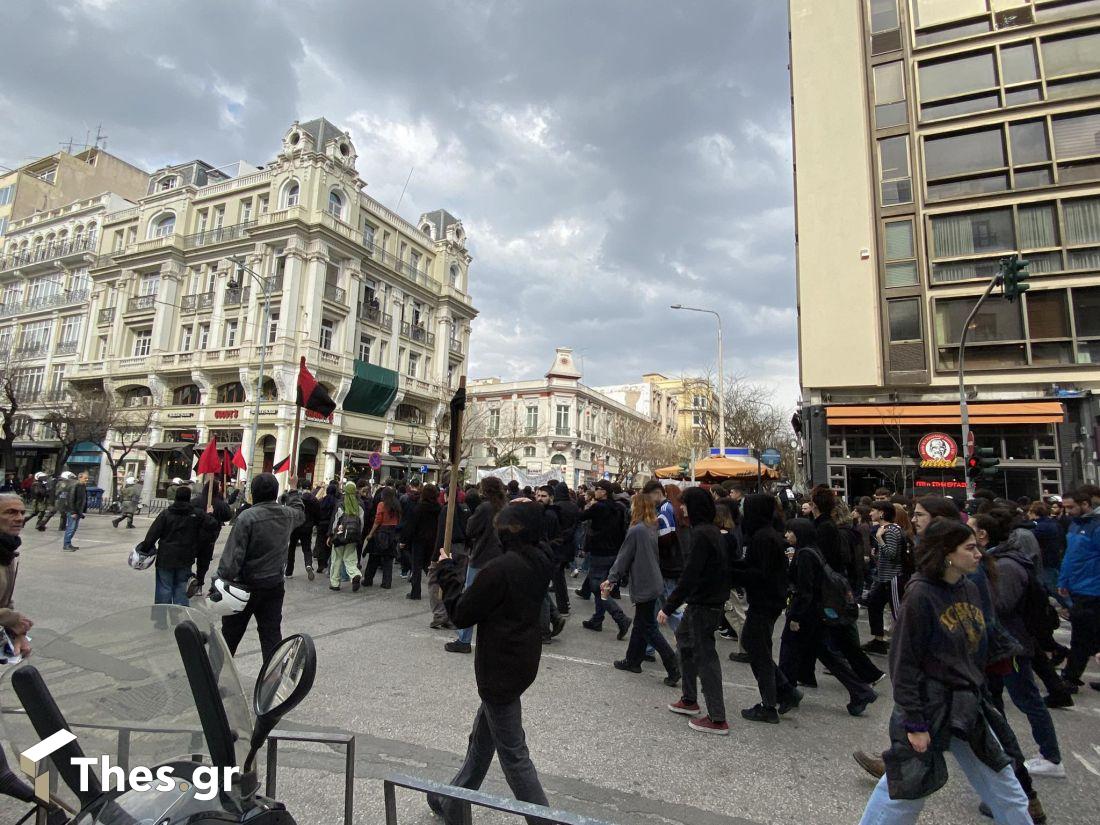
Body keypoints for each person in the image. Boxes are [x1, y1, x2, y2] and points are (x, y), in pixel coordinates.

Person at [857, 519, 1031, 825]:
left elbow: (976, 648)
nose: (979, 553)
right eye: (970, 547)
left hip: (968, 706)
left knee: (1008, 791)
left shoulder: (971, 588)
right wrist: (914, 721)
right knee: (904, 795)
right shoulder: (921, 595)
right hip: (930, 706)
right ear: (947, 553)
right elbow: (903, 662)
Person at [428, 502, 555, 824]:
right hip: (520, 661)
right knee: (482, 740)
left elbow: (462, 612)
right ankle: (452, 800)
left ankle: (543, 820)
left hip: (500, 669)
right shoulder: (541, 559)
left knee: (513, 754)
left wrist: (446, 571)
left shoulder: (501, 570)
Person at [971, 509, 1066, 779]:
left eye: (972, 527)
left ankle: (1051, 756)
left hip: (1011, 643)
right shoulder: (999, 560)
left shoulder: (1006, 565)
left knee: (1027, 698)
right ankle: (1001, 751)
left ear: (983, 534)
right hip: (1001, 643)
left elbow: (1000, 605)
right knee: (994, 699)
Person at [779, 517, 876, 717]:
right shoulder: (814, 550)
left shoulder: (804, 554)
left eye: (790, 531)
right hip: (817, 612)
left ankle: (786, 692)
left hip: (806, 613)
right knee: (825, 653)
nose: (787, 535)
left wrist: (796, 616)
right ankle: (861, 690)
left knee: (789, 650)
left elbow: (805, 590)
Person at [660, 487, 730, 735]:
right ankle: (689, 699)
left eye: (686, 504)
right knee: (685, 642)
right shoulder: (709, 531)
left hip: (704, 603)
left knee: (704, 655)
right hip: (705, 601)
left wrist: (668, 606)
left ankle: (717, 716)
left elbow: (691, 574)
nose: (682, 508)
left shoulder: (701, 534)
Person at [215, 473, 305, 663]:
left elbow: (233, 556)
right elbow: (299, 511)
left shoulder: (247, 517)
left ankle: (213, 679)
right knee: (271, 635)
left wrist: (220, 580)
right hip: (273, 584)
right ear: (275, 492)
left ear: (254, 493)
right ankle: (272, 681)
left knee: (229, 636)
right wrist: (294, 488)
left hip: (244, 586)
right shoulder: (286, 514)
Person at [732, 494, 806, 723]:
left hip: (765, 600)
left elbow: (759, 573)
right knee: (758, 646)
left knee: (758, 650)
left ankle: (768, 704)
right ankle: (785, 691)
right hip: (769, 600)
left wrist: (733, 573)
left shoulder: (763, 537)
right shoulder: (767, 534)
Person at [602, 493, 679, 685]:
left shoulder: (637, 530)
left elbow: (623, 558)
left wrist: (611, 579)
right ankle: (633, 660)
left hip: (645, 583)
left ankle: (673, 666)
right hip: (653, 580)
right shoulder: (652, 527)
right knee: (641, 624)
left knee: (649, 627)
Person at [447, 477, 506, 654]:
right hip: (500, 557)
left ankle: (464, 639)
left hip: (481, 556)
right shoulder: (505, 506)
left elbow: (470, 529)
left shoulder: (485, 507)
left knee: (470, 598)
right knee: (496, 600)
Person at [1058, 488, 1100, 692]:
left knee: (1081, 636)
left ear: (1085, 504)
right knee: (1087, 634)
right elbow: (1070, 556)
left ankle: (1070, 677)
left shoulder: (1096, 526)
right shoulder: (1075, 525)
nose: (1067, 511)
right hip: (1079, 586)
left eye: (1071, 507)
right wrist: (1063, 581)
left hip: (1092, 588)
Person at [137, 487, 209, 606]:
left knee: (164, 587)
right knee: (181, 585)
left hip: (166, 556)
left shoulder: (166, 514)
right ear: (189, 497)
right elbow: (211, 525)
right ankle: (180, 615)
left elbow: (153, 533)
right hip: (186, 556)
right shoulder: (196, 514)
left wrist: (145, 549)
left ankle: (161, 617)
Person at [578, 479, 631, 638]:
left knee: (597, 587)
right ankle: (597, 619)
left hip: (600, 551)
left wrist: (587, 506)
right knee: (602, 584)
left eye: (598, 489)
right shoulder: (619, 507)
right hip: (614, 552)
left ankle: (620, 617)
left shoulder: (599, 507)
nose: (595, 491)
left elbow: (580, 516)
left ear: (605, 491)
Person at [861, 500, 906, 655]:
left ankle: (906, 643)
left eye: (873, 510)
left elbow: (893, 555)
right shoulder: (882, 529)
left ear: (881, 513)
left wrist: (880, 540)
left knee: (897, 611)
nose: (870, 513)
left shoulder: (891, 530)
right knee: (874, 604)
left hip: (893, 577)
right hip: (883, 577)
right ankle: (878, 640)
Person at [188, 480, 233, 598]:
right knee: (203, 562)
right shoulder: (218, 503)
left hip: (194, 536)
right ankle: (198, 583)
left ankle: (190, 578)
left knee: (189, 559)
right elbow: (228, 515)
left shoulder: (196, 501)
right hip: (209, 538)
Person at [402, 482, 441, 601]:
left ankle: (415, 592)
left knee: (416, 567)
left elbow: (411, 526)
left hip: (418, 541)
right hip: (433, 541)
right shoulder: (439, 508)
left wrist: (404, 540)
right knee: (429, 566)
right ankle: (438, 588)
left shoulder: (418, 508)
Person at [328, 482, 364, 592]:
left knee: (337, 559)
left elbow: (334, 522)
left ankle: (335, 583)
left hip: (339, 536)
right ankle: (355, 575)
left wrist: (330, 535)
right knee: (350, 559)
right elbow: (361, 523)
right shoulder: (359, 506)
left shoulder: (340, 504)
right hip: (353, 536)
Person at [363, 485, 400, 588]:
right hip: (392, 533)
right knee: (388, 560)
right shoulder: (396, 505)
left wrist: (370, 534)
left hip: (381, 533)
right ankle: (387, 582)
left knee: (373, 558)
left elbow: (377, 520)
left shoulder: (382, 505)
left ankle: (368, 580)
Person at [285, 479, 319, 581]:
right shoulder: (314, 500)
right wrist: (314, 524)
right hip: (307, 527)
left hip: (295, 526)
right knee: (307, 548)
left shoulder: (297, 498)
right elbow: (317, 514)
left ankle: (289, 571)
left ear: (301, 487)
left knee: (291, 548)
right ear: (310, 487)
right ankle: (308, 564)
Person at [314, 481, 338, 574]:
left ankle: (320, 564)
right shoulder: (336, 502)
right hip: (330, 525)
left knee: (320, 543)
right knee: (329, 544)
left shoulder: (322, 501)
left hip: (321, 524)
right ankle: (327, 563)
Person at [62, 471, 88, 552]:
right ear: (80, 477)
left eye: (87, 478)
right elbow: (71, 499)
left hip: (78, 510)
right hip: (73, 510)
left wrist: (82, 511)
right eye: (85, 478)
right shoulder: (75, 485)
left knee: (74, 528)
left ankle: (68, 544)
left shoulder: (82, 486)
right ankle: (66, 545)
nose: (86, 480)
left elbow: (83, 499)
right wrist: (73, 512)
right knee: (71, 528)